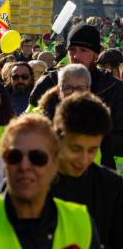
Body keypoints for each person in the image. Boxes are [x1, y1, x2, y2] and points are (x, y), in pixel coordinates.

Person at [0, 113, 101, 249]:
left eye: (37, 158)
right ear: (4, 164)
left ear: (55, 165)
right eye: (14, 156)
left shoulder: (81, 223)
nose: (25, 166)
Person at [30, 23, 123, 170]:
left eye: (83, 50)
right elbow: (28, 127)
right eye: (72, 49)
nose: (76, 56)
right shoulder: (48, 82)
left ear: (96, 54)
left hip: (99, 175)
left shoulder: (113, 88)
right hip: (53, 172)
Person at [51, 92, 123, 249]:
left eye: (92, 150)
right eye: (76, 148)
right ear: (58, 138)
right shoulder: (30, 182)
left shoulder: (112, 186)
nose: (84, 160)